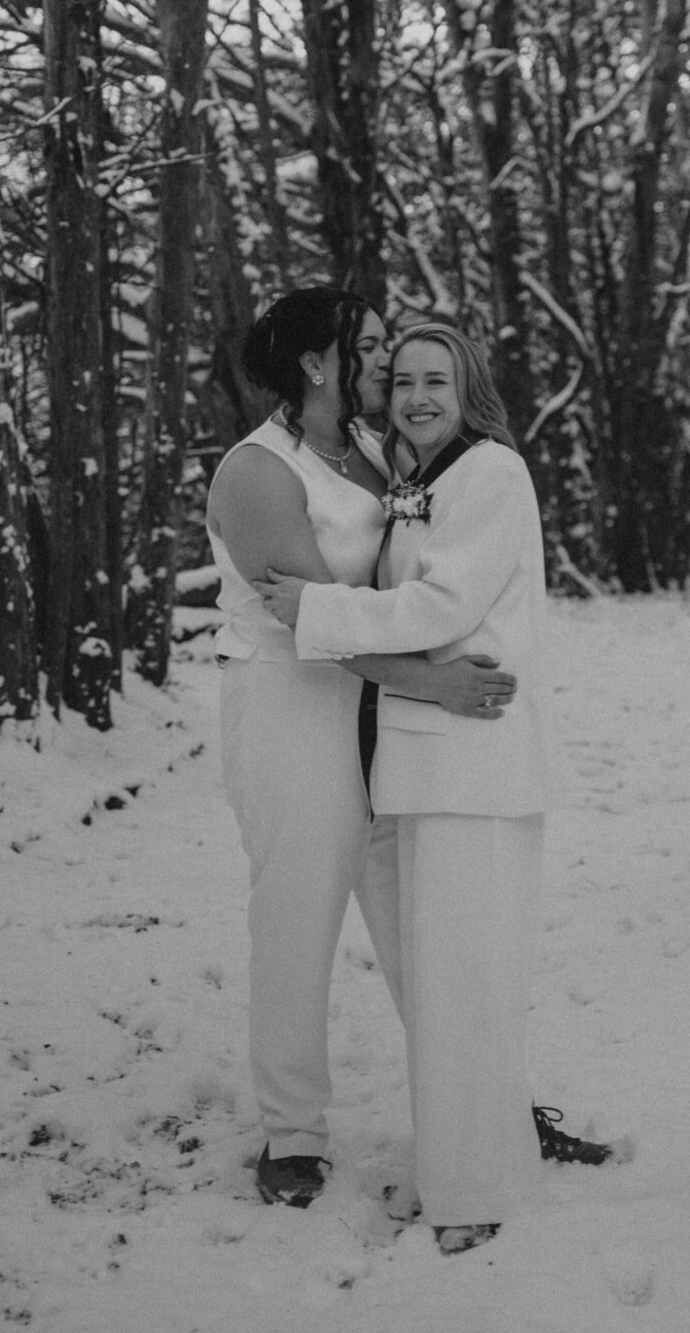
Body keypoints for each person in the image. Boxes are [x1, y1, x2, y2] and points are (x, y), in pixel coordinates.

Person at [256, 322, 606, 1257]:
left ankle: (476, 1193)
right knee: (448, 990)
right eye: (403, 378)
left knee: (466, 988)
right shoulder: (423, 481)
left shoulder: (490, 472)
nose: (415, 395)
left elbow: (443, 607)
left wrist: (317, 609)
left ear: (468, 388)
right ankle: (461, 1171)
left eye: (436, 381)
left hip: (475, 765)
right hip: (426, 763)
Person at [206, 289, 517, 1213]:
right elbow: (310, 620)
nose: (385, 360)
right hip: (288, 703)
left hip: (377, 710)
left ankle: (481, 1105)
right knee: (299, 912)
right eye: (371, 345)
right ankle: (292, 1133)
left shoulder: (376, 451)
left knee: (417, 912)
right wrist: (439, 684)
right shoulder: (255, 474)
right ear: (315, 362)